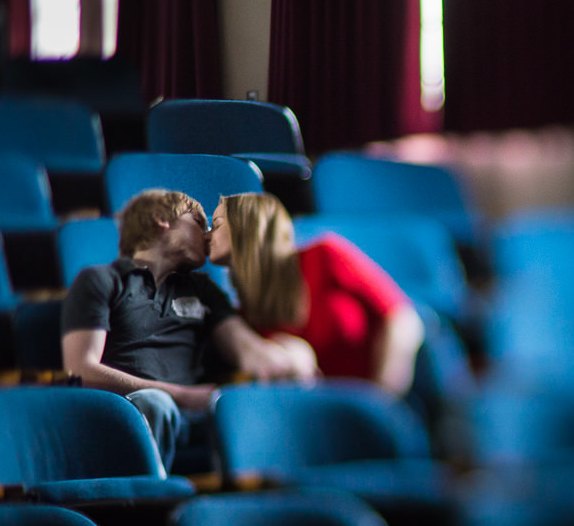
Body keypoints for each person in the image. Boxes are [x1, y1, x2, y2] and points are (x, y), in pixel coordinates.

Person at [60, 188, 314, 471]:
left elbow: (245, 348)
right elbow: (80, 370)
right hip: (126, 414)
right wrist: (180, 395)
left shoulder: (204, 289)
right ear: (161, 220)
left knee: (241, 408)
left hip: (196, 412)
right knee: (155, 403)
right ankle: (151, 505)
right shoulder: (100, 280)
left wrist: (293, 354)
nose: (208, 236)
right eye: (199, 223)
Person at [208, 192, 425, 395]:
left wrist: (383, 396)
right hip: (329, 413)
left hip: (392, 387)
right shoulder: (246, 314)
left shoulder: (324, 255)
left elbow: (402, 319)